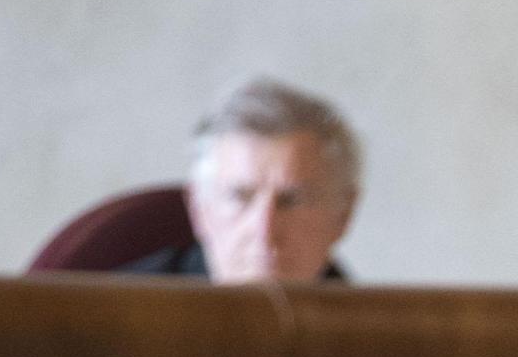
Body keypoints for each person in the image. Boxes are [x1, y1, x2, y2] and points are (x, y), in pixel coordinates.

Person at [125, 77, 361, 281]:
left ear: (344, 213)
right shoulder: (118, 316)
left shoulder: (372, 325)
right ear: (200, 209)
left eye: (292, 200)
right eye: (240, 197)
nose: (264, 231)